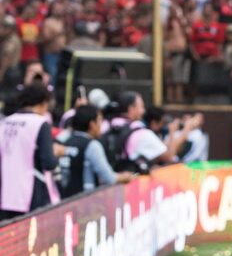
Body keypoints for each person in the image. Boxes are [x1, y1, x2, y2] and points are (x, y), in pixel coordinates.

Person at [0, 82, 61, 220]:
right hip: (29, 194)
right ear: (44, 102)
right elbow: (49, 163)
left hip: (4, 192)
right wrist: (56, 153)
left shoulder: (4, 122)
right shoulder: (40, 123)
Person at [105, 91, 199, 170]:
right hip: (131, 184)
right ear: (131, 109)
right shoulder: (140, 132)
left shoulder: (107, 125)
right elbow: (169, 156)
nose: (143, 111)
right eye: (141, 107)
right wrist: (174, 131)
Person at [58, 105, 133, 197]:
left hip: (63, 200)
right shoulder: (92, 145)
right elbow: (108, 177)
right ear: (92, 124)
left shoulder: (64, 141)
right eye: (100, 120)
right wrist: (125, 177)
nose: (101, 124)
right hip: (84, 200)